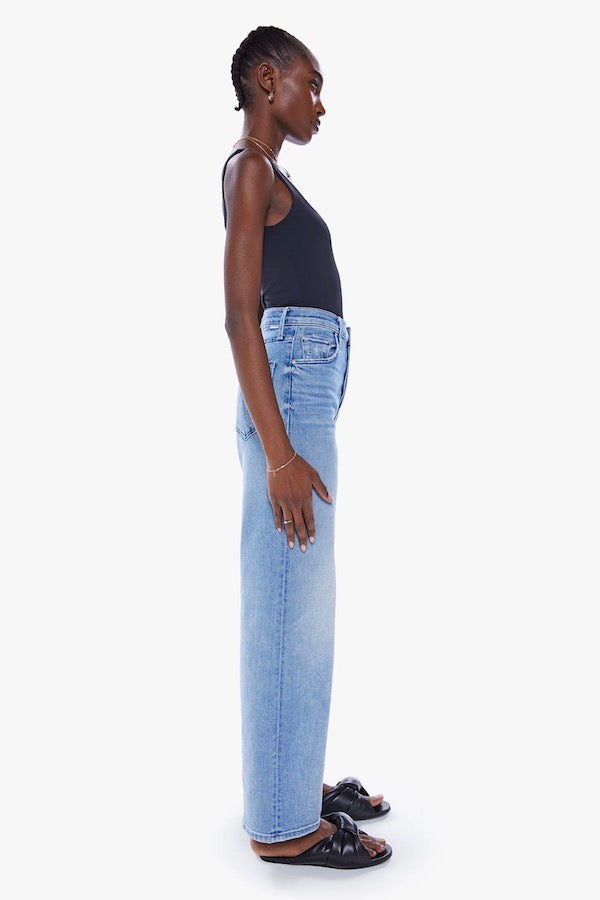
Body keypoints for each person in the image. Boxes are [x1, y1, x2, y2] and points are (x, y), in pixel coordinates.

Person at [221, 25, 393, 869]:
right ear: (267, 79)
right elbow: (237, 316)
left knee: (300, 602)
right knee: (290, 604)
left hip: (301, 386)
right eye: (309, 83)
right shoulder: (250, 168)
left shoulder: (269, 173)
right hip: (289, 393)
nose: (320, 103)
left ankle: (289, 780)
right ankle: (284, 827)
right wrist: (282, 456)